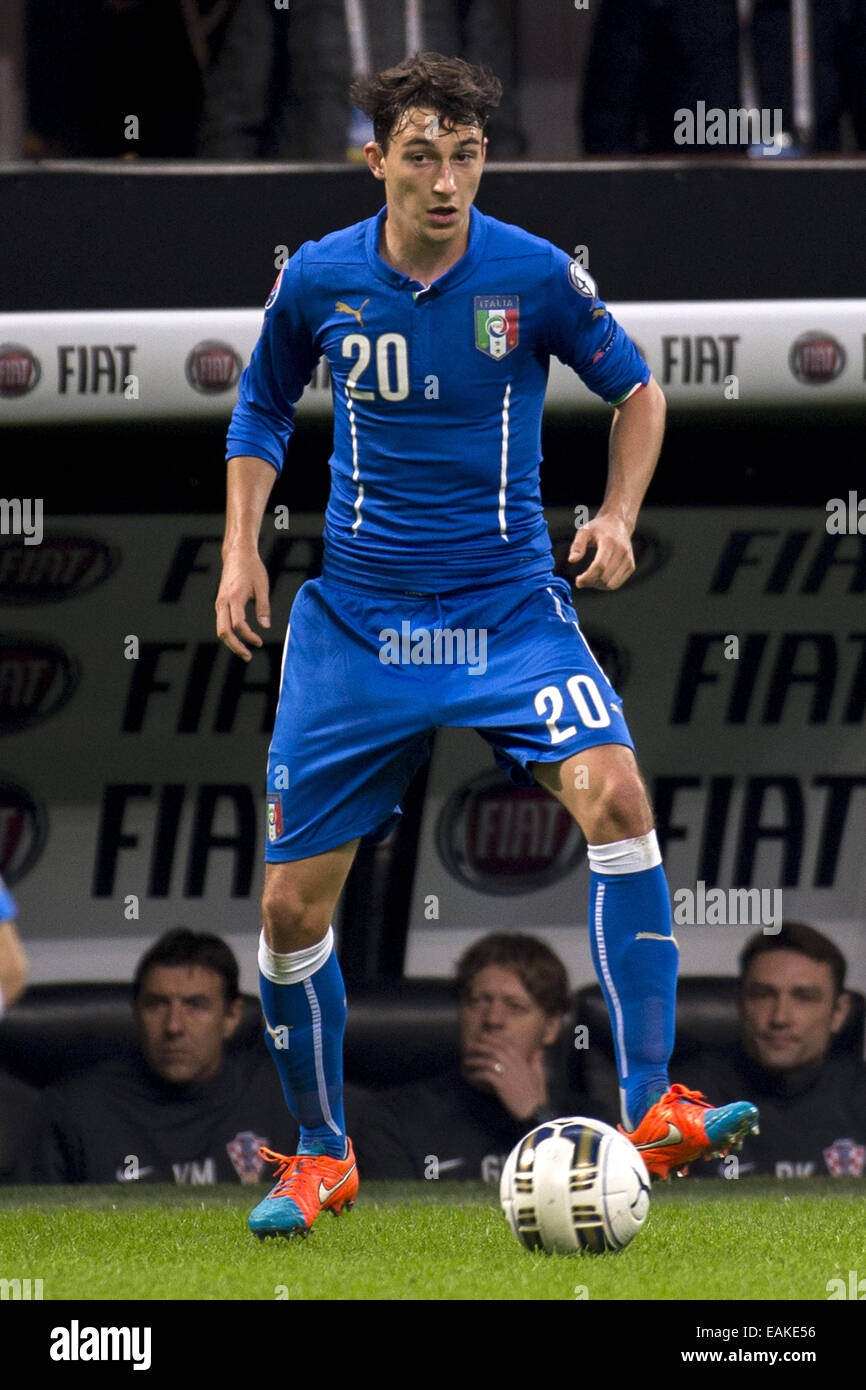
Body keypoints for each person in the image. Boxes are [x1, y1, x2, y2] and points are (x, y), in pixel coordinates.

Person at [215, 50, 758, 1238]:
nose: (447, 179)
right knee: (291, 914)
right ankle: (320, 1154)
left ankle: (651, 1101)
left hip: (507, 611)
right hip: (357, 622)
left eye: (465, 155)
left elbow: (640, 394)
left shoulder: (531, 272)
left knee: (616, 798)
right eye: (421, 155)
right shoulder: (316, 280)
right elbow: (259, 405)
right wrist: (242, 549)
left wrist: (615, 515)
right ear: (376, 162)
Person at [34, 928, 304, 1184]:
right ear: (136, 1012)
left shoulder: (290, 1103)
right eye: (156, 1004)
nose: (174, 1026)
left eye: (196, 1005)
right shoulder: (74, 1110)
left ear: (231, 1016)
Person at [356, 933, 611, 1183]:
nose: (492, 1020)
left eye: (515, 1007)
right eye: (478, 1001)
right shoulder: (394, 1119)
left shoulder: (592, 1124)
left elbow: (597, 1208)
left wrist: (537, 1119)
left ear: (551, 1027)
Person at [688, 923, 866, 1179]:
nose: (780, 1017)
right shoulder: (684, 1102)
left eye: (804, 997)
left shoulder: (860, 1098)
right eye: (762, 995)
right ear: (740, 1002)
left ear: (839, 1012)